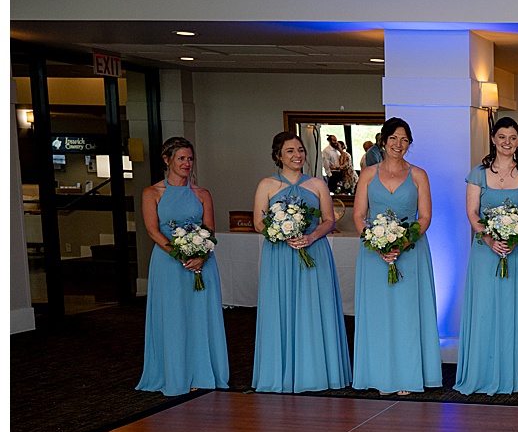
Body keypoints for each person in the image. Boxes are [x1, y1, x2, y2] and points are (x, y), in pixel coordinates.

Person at [250, 132, 350, 393]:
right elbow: (259, 222)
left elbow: (329, 220)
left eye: (300, 150)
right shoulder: (267, 185)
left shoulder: (317, 184)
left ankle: (316, 372)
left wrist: (310, 237)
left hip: (314, 253)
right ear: (278, 156)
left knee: (313, 308)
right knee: (282, 308)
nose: (297, 155)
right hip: (280, 256)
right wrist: (282, 235)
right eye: (290, 151)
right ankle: (281, 374)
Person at [350, 117, 440, 396]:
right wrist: (376, 242)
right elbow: (358, 215)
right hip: (374, 255)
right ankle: (379, 375)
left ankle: (407, 376)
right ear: (383, 140)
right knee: (378, 313)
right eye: (393, 139)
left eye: (404, 140)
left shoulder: (418, 175)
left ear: (409, 143)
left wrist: (404, 242)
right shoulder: (367, 174)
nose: (398, 144)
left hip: (410, 253)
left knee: (407, 314)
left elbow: (424, 217)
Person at [454, 116, 518, 395]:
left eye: (513, 138)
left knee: (515, 310)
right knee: (486, 309)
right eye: (502, 137)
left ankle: (516, 374)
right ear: (493, 139)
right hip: (485, 251)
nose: (507, 142)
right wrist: (490, 238)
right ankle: (482, 374)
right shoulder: (478, 173)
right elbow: (472, 213)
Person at [136, 137, 229, 395]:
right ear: (167, 160)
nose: (187, 163)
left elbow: (210, 229)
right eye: (181, 158)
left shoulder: (202, 194)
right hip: (169, 264)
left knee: (201, 317)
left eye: (190, 159)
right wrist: (179, 255)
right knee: (173, 318)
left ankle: (202, 372)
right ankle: (174, 373)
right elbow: (153, 231)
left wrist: (201, 255)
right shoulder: (152, 193)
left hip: (202, 263)